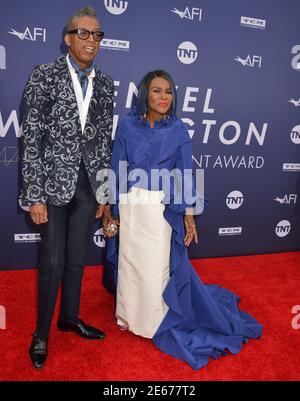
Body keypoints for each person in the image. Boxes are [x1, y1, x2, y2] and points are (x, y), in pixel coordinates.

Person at [105, 70, 263, 370]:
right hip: (131, 205)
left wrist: (189, 215)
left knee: (155, 268)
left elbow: (185, 172)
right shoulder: (127, 125)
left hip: (160, 209)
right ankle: (128, 316)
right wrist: (112, 207)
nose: (164, 97)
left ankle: (153, 321)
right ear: (144, 94)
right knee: (129, 263)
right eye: (156, 91)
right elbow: (117, 165)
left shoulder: (179, 129)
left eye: (168, 92)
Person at [20, 6, 113, 369]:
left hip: (88, 186)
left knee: (76, 261)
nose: (92, 41)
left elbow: (103, 141)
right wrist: (34, 194)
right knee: (53, 261)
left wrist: (104, 193)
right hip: (51, 185)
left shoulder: (106, 83)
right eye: (84, 33)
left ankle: (69, 319)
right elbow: (31, 139)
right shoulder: (44, 75)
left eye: (97, 35)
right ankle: (41, 334)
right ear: (68, 38)